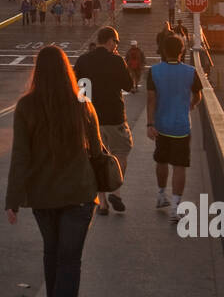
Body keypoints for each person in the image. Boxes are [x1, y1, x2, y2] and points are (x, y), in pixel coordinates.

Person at [5, 45, 104, 297]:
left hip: (43, 196)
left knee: (52, 253)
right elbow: (98, 151)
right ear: (67, 71)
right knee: (70, 260)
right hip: (79, 194)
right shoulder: (82, 103)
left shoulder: (26, 106)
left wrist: (13, 199)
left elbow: (20, 156)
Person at [73, 26, 134, 216]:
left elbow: (79, 91)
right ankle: (115, 191)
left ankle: (103, 202)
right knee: (121, 153)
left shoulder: (83, 60)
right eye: (116, 42)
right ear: (109, 41)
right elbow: (129, 86)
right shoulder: (116, 61)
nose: (116, 46)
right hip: (115, 117)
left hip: (92, 119)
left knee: (96, 158)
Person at [147, 33, 204, 222]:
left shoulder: (154, 71)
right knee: (180, 165)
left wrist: (150, 123)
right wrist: (191, 105)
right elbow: (198, 96)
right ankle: (176, 206)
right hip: (181, 126)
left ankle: (161, 195)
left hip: (161, 125)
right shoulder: (190, 72)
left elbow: (151, 100)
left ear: (163, 51)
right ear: (182, 51)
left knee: (161, 161)